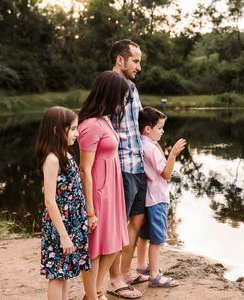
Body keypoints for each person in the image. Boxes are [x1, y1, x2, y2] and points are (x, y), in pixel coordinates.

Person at [77, 71, 139, 299]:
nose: (122, 101)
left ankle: (95, 290)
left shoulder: (104, 119)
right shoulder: (91, 125)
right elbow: (85, 169)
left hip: (113, 190)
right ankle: (92, 295)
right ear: (109, 94)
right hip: (99, 192)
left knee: (114, 243)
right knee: (95, 248)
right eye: (121, 96)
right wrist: (90, 210)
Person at [107, 39, 150, 292]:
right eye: (135, 61)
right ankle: (114, 281)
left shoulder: (132, 87)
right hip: (120, 166)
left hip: (138, 165)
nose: (139, 67)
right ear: (120, 60)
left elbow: (139, 119)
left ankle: (125, 271)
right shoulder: (109, 86)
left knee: (137, 219)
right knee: (116, 224)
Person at [36, 106, 90, 300]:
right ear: (56, 130)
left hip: (71, 222)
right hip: (59, 225)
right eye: (73, 129)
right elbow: (50, 201)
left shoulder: (66, 155)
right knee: (57, 275)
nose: (77, 133)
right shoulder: (52, 159)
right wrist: (64, 236)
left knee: (65, 273)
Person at [138, 106, 185, 288]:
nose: (162, 131)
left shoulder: (141, 143)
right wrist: (173, 154)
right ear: (148, 129)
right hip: (157, 198)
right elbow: (165, 174)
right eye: (159, 128)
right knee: (157, 239)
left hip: (146, 198)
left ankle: (143, 268)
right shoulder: (151, 148)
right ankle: (155, 275)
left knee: (144, 236)